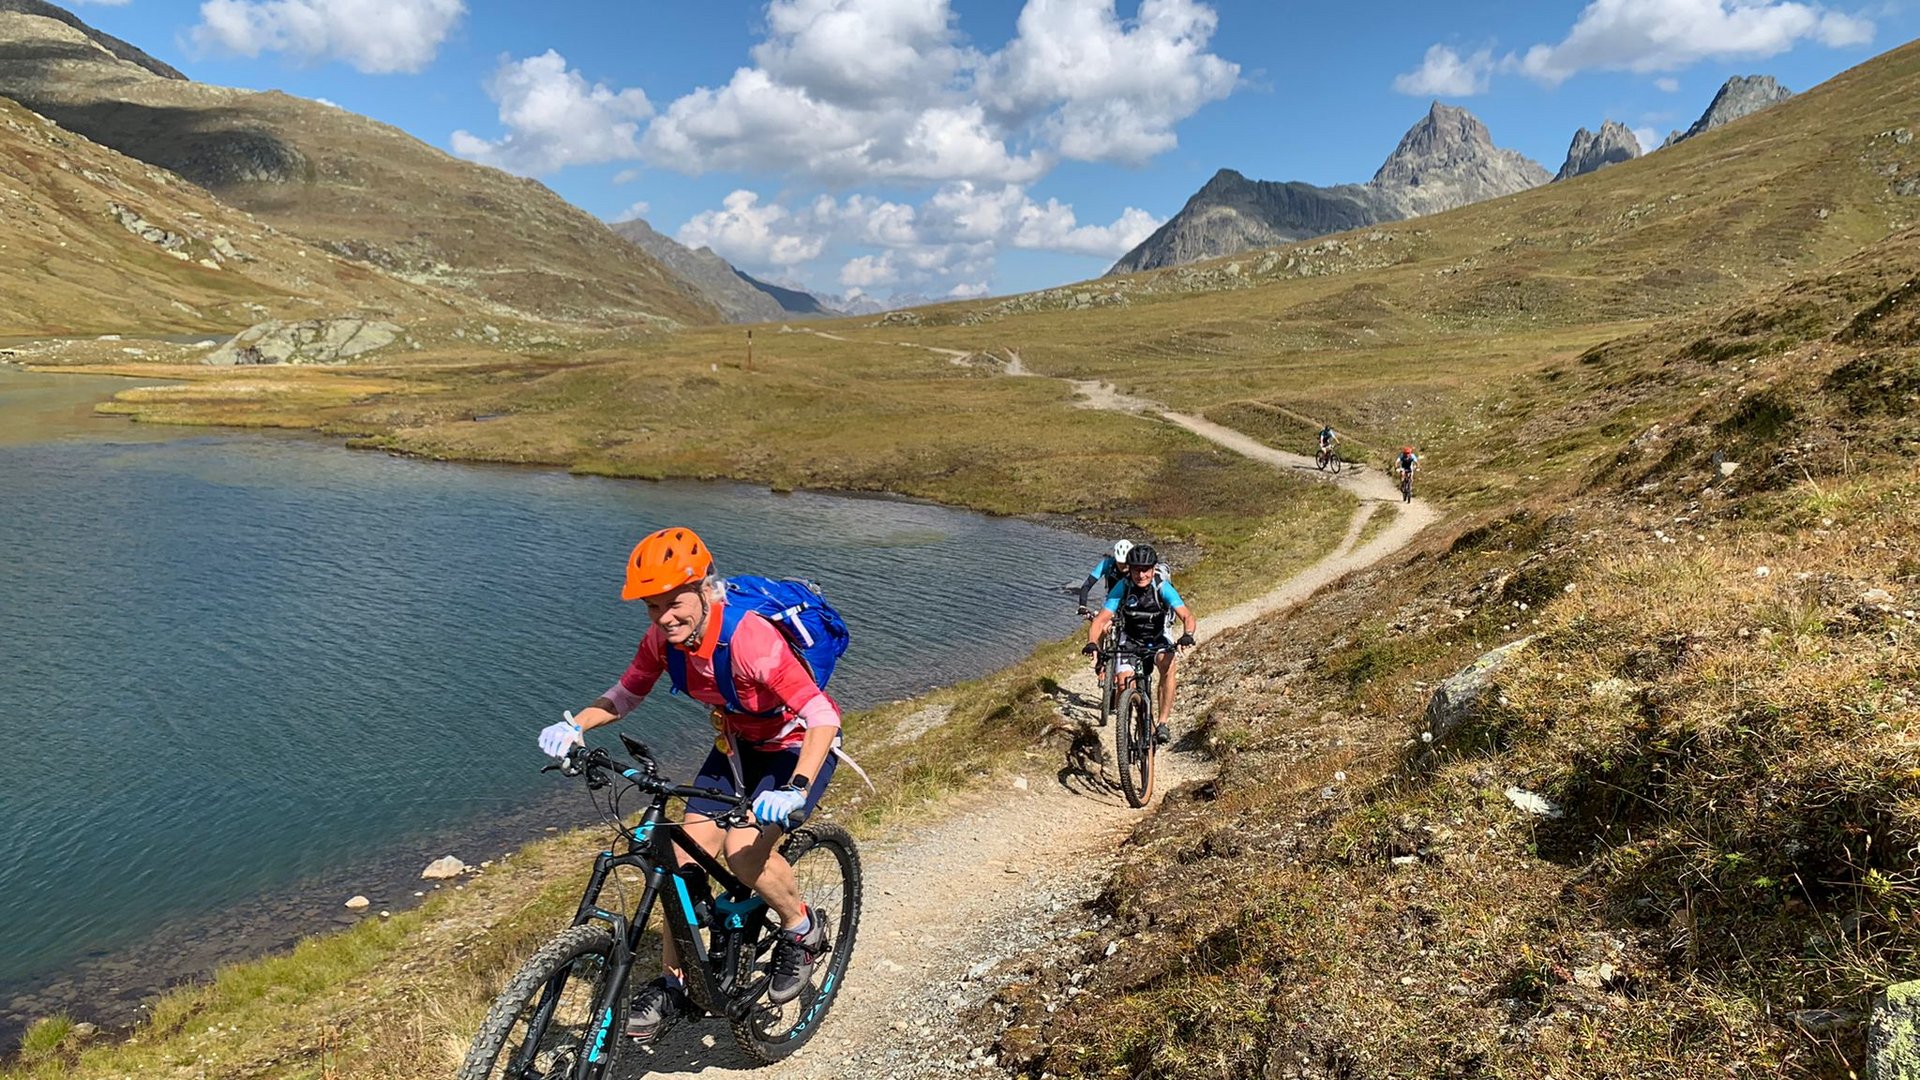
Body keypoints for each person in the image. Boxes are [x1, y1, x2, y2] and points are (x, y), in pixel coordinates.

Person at [536, 526, 842, 1040]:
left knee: (743, 850)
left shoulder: (749, 639)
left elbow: (821, 714)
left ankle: (801, 929)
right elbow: (626, 693)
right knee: (678, 863)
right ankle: (676, 983)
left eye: (674, 603)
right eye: (653, 607)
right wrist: (576, 726)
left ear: (704, 589)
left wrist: (794, 787)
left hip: (795, 750)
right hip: (736, 747)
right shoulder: (663, 639)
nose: (665, 617)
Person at [1082, 543, 1196, 745]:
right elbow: (1100, 620)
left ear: (1153, 569)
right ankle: (1134, 717)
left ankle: (1162, 722)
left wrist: (1187, 635)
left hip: (1158, 636)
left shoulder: (1161, 586)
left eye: (1145, 570)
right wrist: (1092, 643)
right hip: (1130, 638)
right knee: (1123, 682)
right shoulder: (1123, 587)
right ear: (1130, 569)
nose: (1141, 574)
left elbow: (1186, 615)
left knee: (1168, 663)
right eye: (1136, 569)